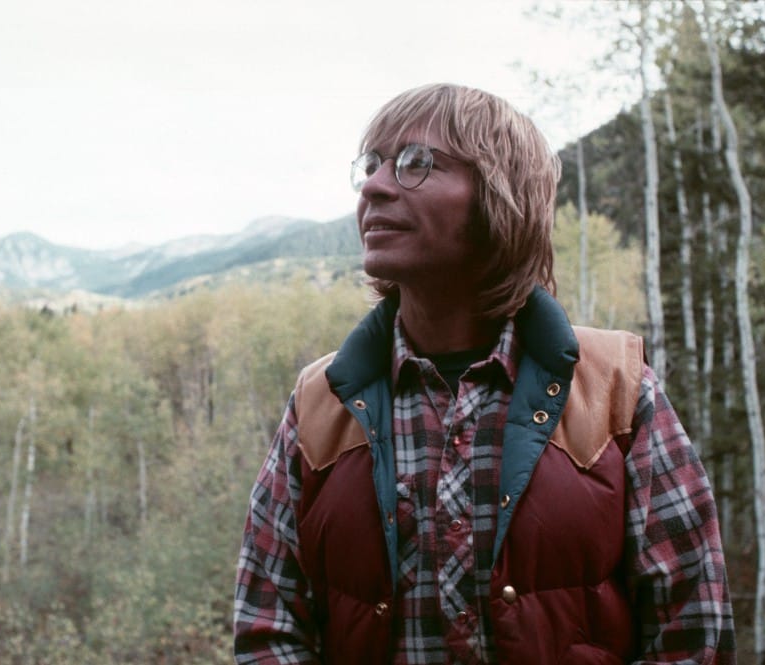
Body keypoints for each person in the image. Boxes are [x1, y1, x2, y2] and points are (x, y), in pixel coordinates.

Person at [233, 83, 735, 665]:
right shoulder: (319, 402)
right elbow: (268, 630)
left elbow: (692, 630)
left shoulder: (617, 390)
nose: (373, 185)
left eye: (416, 163)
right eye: (371, 165)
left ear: (501, 196)